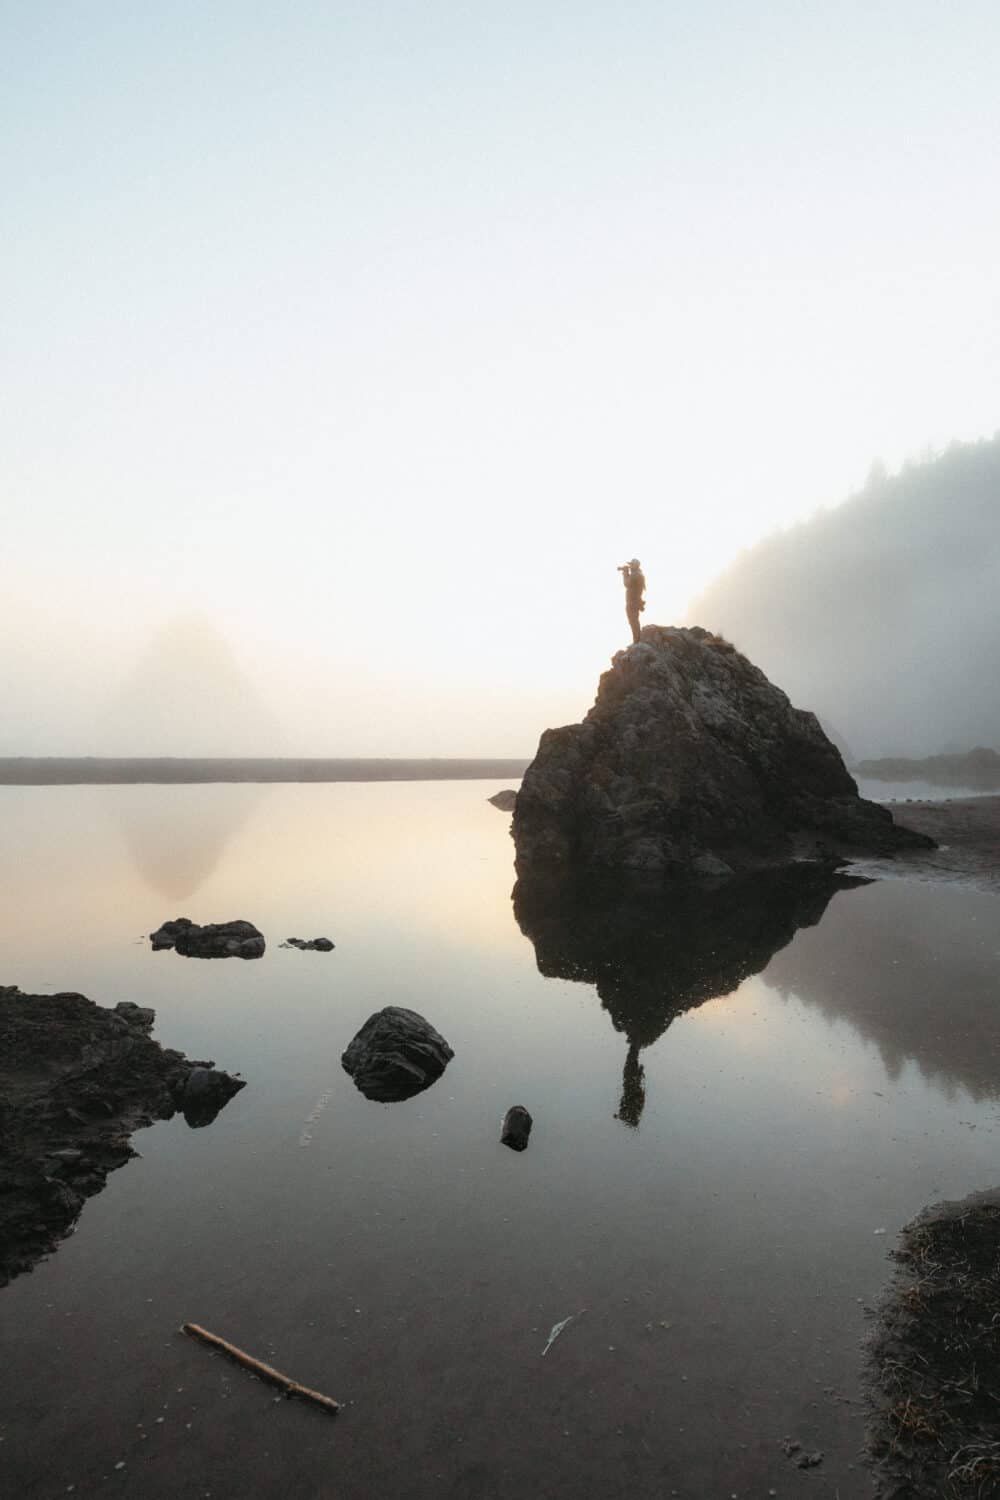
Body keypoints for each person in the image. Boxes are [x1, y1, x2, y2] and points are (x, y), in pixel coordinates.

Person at [619, 558, 646, 643]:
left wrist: (625, 573)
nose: (630, 566)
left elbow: (627, 583)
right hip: (635, 601)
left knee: (633, 621)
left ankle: (637, 640)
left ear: (635, 566)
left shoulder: (635, 575)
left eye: (631, 565)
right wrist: (627, 572)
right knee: (634, 621)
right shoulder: (638, 573)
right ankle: (637, 639)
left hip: (632, 602)